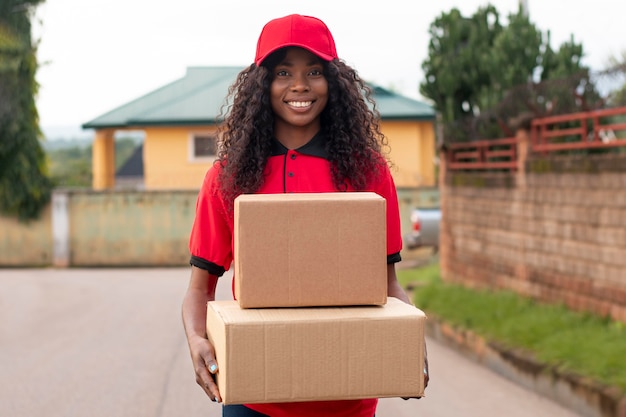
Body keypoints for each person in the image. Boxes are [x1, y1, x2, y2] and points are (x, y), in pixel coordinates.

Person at [181, 13, 428, 417]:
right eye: (283, 72)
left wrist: (409, 338)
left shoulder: (368, 174)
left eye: (314, 70)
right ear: (263, 85)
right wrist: (196, 340)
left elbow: (389, 286)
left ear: (333, 81)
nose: (299, 85)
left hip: (348, 395)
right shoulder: (226, 179)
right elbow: (198, 290)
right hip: (255, 395)